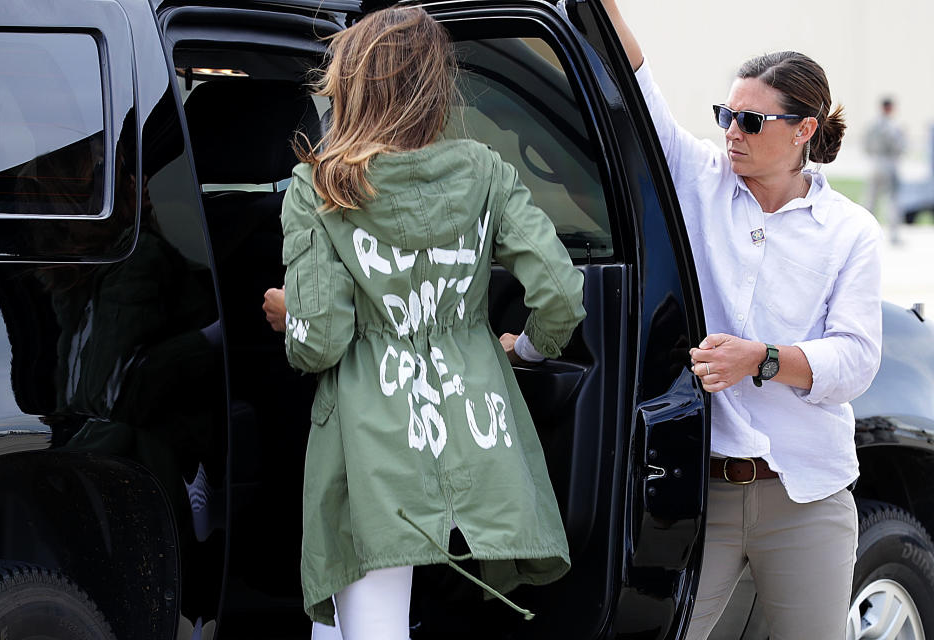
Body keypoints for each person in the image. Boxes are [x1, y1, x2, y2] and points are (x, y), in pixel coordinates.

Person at [260, 7, 586, 639]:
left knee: (360, 620)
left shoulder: (320, 187)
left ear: (351, 86)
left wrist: (288, 317)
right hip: (472, 425)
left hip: (368, 434)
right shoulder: (485, 170)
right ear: (436, 86)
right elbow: (563, 298)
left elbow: (321, 341)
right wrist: (529, 353)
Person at [601, 3, 882, 639]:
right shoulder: (700, 178)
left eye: (751, 120)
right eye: (726, 115)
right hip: (706, 492)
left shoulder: (849, 232)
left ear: (804, 129)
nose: (733, 131)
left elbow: (858, 358)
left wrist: (762, 359)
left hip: (806, 494)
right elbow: (636, 83)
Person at [863, 97, 907, 242]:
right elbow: (900, 147)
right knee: (892, 200)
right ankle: (894, 235)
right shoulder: (894, 126)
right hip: (889, 163)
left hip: (875, 163)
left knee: (871, 199)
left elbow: (866, 145)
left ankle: (866, 234)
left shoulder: (872, 125)